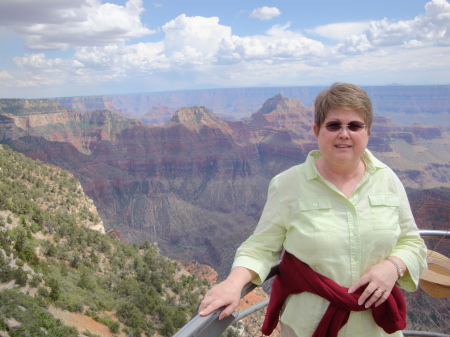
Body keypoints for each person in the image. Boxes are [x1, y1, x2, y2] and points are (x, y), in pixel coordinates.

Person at [198, 82, 428, 337]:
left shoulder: (388, 180)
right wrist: (233, 283)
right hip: (308, 327)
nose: (344, 133)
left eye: (354, 125)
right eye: (334, 125)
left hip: (376, 328)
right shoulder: (287, 184)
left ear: (368, 131)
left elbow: (412, 243)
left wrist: (393, 267)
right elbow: (261, 247)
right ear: (317, 131)